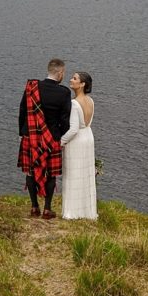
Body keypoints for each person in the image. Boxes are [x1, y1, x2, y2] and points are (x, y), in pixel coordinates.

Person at [17, 58, 71, 219]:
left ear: (49, 70)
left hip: (30, 136)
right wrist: (57, 136)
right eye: (64, 73)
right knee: (51, 174)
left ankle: (34, 207)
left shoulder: (31, 88)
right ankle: (47, 209)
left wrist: (23, 132)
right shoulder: (64, 92)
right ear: (60, 73)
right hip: (51, 137)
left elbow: (22, 112)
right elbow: (65, 121)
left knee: (31, 171)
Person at [60, 71, 97, 220]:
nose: (71, 79)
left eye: (75, 78)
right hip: (88, 136)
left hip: (77, 141)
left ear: (82, 84)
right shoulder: (91, 101)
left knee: (73, 174)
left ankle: (72, 212)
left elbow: (74, 129)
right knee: (85, 175)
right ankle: (87, 211)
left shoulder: (74, 103)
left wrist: (60, 142)